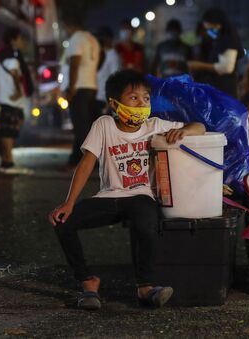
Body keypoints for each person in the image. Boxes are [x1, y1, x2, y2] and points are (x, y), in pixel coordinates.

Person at [48, 69, 205, 310]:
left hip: (141, 196)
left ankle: (145, 287)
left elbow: (200, 127)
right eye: (133, 98)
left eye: (146, 98)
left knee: (146, 219)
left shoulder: (155, 125)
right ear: (114, 103)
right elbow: (86, 163)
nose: (142, 103)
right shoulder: (104, 125)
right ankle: (88, 282)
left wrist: (183, 131)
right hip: (109, 196)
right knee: (63, 222)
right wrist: (68, 203)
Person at [63, 14, 101, 168]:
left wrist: (71, 88)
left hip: (79, 88)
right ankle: (75, 158)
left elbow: (74, 64)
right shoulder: (92, 39)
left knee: (81, 127)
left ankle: (92, 162)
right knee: (83, 124)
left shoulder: (76, 39)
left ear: (71, 26)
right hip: (91, 86)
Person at [0, 27, 34, 174]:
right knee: (9, 130)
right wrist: (18, 91)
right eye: (20, 38)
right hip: (11, 99)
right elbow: (15, 73)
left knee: (7, 129)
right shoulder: (10, 54)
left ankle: (6, 161)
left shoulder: (5, 53)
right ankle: (8, 162)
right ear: (13, 39)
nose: (22, 42)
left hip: (7, 98)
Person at [187, 8, 243, 98]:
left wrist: (199, 65)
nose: (209, 32)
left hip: (225, 93)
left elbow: (226, 68)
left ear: (218, 24)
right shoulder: (219, 41)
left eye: (210, 28)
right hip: (218, 91)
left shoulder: (229, 40)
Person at [95, 26, 121, 116]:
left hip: (105, 100)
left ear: (109, 39)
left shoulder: (113, 56)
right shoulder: (101, 54)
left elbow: (115, 80)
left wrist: (108, 105)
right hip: (98, 98)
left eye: (102, 38)